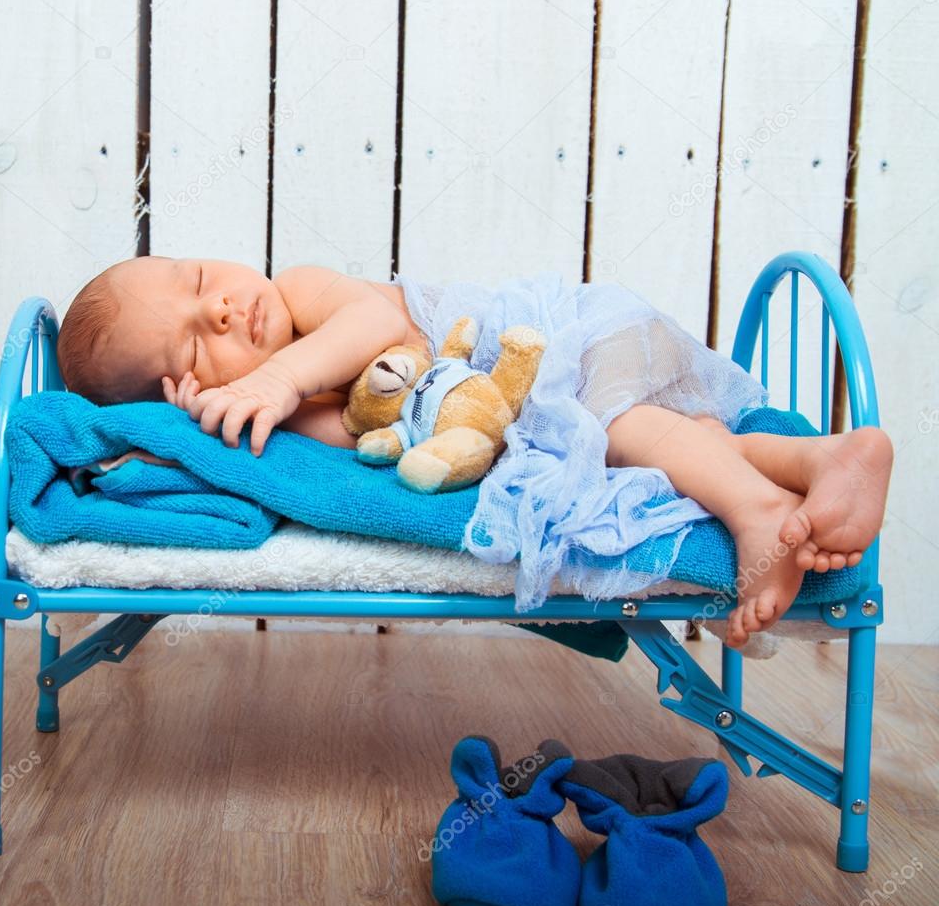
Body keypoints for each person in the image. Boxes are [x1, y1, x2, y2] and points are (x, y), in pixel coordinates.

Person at [57, 257, 893, 647]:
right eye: (196, 351)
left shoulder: (305, 294)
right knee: (656, 450)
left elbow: (377, 330)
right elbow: (353, 437)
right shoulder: (290, 409)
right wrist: (221, 418)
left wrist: (273, 379)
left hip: (564, 339)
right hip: (546, 400)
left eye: (202, 280)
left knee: (613, 428)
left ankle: (756, 514)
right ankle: (818, 463)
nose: (225, 311)